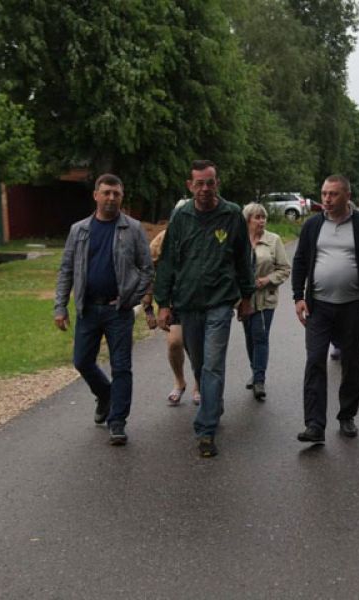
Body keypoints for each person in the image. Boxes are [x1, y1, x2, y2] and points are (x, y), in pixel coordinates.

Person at [154, 160, 254, 458]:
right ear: (190, 186)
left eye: (210, 182)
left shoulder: (231, 214)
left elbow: (242, 259)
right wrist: (163, 303)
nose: (205, 189)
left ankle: (206, 430)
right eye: (199, 183)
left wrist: (246, 297)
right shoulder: (181, 217)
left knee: (212, 364)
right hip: (187, 303)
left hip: (220, 302)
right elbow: (169, 261)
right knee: (199, 362)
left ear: (217, 183)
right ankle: (214, 402)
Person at [53, 173, 153, 446]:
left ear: (121, 197)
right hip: (88, 309)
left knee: (122, 367)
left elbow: (147, 269)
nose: (111, 198)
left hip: (118, 311)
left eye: (116, 194)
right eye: (106, 192)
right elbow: (67, 269)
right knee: (82, 361)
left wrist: (129, 299)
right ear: (95, 195)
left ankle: (117, 422)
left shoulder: (132, 229)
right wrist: (60, 306)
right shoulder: (80, 230)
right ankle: (106, 395)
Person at [291, 174, 359, 442]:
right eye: (324, 194)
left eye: (333, 194)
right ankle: (314, 424)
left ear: (347, 195)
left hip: (352, 307)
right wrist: (298, 296)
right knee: (314, 361)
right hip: (318, 307)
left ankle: (347, 415)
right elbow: (300, 261)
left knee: (351, 362)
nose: (327, 199)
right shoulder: (312, 225)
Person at [143, 224, 201, 407]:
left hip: (198, 300)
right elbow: (148, 272)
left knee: (196, 347)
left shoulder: (202, 234)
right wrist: (149, 309)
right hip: (173, 301)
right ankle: (180, 381)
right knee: (175, 342)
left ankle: (199, 385)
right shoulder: (162, 239)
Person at [241, 202, 291, 401]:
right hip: (244, 299)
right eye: (257, 217)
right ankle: (255, 370)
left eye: (263, 217)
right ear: (248, 220)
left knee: (260, 336)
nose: (261, 221)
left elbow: (285, 269)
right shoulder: (240, 241)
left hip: (265, 298)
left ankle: (259, 379)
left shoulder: (274, 240)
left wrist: (267, 280)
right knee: (249, 337)